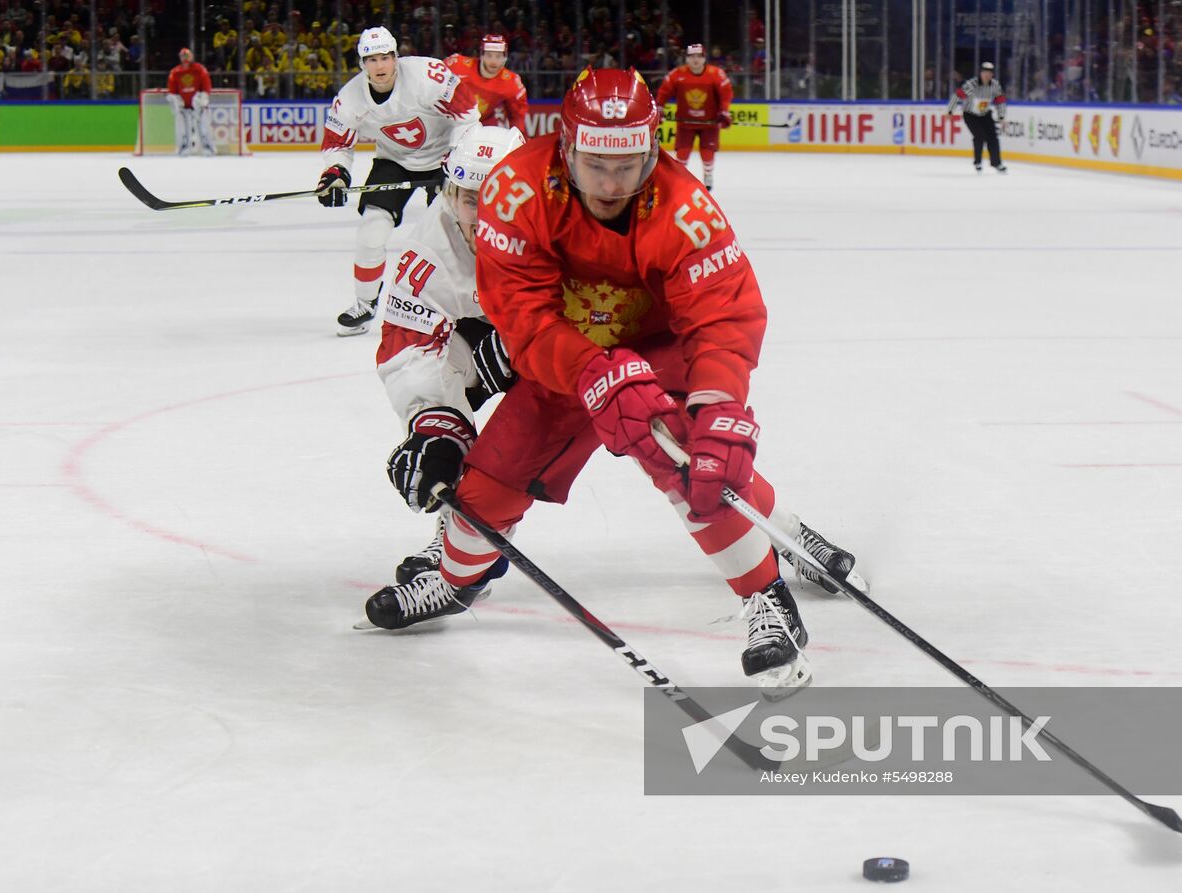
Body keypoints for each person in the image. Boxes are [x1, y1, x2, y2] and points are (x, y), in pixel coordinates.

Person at [361, 68, 866, 694]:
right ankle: (454, 579)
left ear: (652, 150)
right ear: (565, 147)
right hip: (566, 358)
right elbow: (523, 318)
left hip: (659, 350)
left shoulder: (684, 207)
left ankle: (767, 594)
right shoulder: (515, 194)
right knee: (492, 476)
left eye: (628, 165)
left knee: (691, 461)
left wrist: (717, 404)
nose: (611, 183)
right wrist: (587, 371)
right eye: (596, 163)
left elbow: (723, 313)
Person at [359, 125, 528, 607]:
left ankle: (745, 539)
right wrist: (435, 426)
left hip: (578, 339)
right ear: (449, 194)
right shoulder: (430, 251)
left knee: (656, 426)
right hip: (496, 340)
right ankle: (462, 546)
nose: (480, 214)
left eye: (495, 196)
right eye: (468, 198)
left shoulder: (559, 220)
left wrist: (528, 343)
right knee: (476, 439)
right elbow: (406, 346)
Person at [317, 26, 480, 337]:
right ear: (362, 63)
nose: (379, 66)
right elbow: (337, 144)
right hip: (393, 161)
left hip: (443, 160)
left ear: (396, 57)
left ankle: (468, 305)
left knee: (455, 238)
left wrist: (456, 159)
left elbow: (468, 115)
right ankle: (365, 304)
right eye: (371, 59)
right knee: (370, 232)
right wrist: (335, 173)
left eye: (385, 58)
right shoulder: (350, 98)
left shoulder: (428, 76)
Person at [655, 44, 733, 190]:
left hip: (709, 123)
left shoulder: (716, 74)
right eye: (691, 56)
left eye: (699, 56)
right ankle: (679, 177)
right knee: (682, 153)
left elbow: (726, 94)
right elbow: (663, 92)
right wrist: (659, 109)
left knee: (707, 152)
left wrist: (724, 111)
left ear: (704, 59)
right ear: (686, 59)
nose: (695, 60)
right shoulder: (677, 74)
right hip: (685, 123)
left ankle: (708, 175)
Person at [444, 33, 529, 136]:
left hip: (482, 126)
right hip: (447, 120)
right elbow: (433, 81)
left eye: (498, 56)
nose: (493, 61)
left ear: (505, 57)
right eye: (489, 55)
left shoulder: (512, 83)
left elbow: (518, 117)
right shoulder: (457, 64)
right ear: (482, 54)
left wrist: (517, 140)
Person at [947, 61, 1007, 173]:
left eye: (989, 73)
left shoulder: (995, 85)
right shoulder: (971, 85)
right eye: (985, 72)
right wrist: (950, 111)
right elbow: (957, 96)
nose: (987, 75)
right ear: (981, 73)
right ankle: (978, 161)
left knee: (993, 137)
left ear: (992, 74)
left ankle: (997, 163)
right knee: (979, 135)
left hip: (985, 114)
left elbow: (1000, 101)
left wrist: (1002, 117)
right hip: (970, 115)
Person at [167, 47, 215, 156]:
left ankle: (208, 146)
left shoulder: (199, 69)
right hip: (183, 107)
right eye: (183, 56)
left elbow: (206, 86)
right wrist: (175, 101)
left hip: (199, 105)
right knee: (181, 128)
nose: (185, 58)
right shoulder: (175, 72)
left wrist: (203, 97)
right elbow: (172, 91)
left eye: (187, 56)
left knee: (204, 126)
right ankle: (183, 146)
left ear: (191, 56)